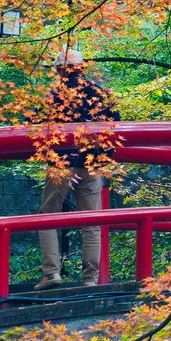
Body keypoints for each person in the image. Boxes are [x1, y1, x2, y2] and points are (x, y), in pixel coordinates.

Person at [36, 49, 122, 289]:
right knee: (91, 221)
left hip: (61, 166)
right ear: (83, 68)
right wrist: (99, 162)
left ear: (58, 70)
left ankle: (52, 273)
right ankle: (90, 279)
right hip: (92, 166)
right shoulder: (101, 94)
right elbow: (114, 130)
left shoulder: (53, 97)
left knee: (47, 217)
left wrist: (68, 164)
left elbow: (36, 134)